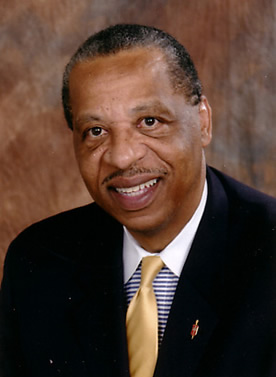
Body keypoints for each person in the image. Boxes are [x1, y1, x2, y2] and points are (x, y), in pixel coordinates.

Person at [0, 24, 275, 377]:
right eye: (96, 132)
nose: (122, 157)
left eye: (149, 121)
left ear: (203, 122)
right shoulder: (39, 261)